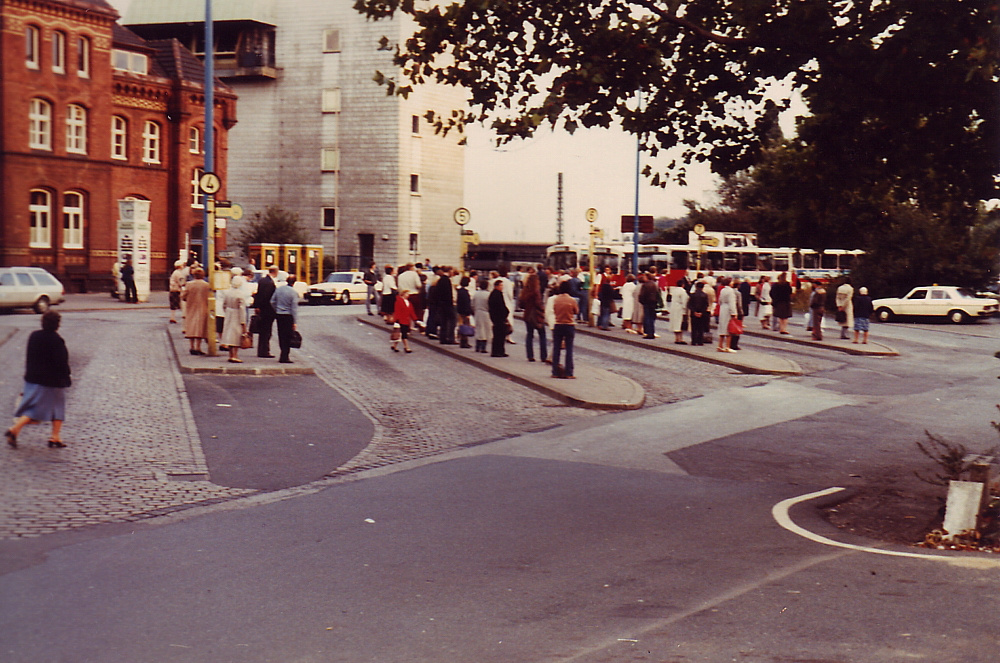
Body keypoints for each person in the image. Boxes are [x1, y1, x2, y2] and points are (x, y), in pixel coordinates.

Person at [5, 311, 71, 449]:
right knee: (47, 408)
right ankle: (15, 430)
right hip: (51, 382)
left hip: (32, 378)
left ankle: (55, 437)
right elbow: (61, 362)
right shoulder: (56, 340)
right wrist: (66, 375)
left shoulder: (34, 336)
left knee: (37, 407)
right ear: (57, 324)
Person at [551, 281, 579, 378]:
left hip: (558, 324)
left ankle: (554, 371)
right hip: (569, 325)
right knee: (569, 349)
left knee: (556, 349)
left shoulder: (556, 300)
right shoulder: (572, 300)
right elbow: (576, 311)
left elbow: (554, 310)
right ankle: (569, 372)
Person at [519, 272, 548, 363]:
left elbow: (521, 304)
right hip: (536, 315)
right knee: (542, 335)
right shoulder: (536, 292)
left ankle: (530, 355)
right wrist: (543, 310)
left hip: (528, 315)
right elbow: (538, 303)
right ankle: (543, 356)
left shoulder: (525, 291)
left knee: (529, 335)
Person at [181, 267, 210, 355]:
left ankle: (191, 346)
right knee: (200, 327)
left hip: (191, 307)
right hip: (203, 307)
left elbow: (183, 296)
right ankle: (198, 347)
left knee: (191, 326)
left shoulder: (189, 284)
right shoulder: (206, 285)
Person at [271, 274, 299, 363]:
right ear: (294, 282)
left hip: (279, 314)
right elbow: (294, 308)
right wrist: (294, 322)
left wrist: (276, 309)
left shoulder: (279, 289)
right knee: (288, 336)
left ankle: (282, 352)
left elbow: (272, 301)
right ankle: (285, 355)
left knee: (281, 335)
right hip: (288, 316)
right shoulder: (293, 292)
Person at [252, 265, 278, 358]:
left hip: (262, 309)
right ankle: (264, 351)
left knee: (263, 331)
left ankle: (261, 350)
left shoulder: (262, 280)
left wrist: (257, 306)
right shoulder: (270, 283)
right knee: (266, 331)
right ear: (276, 272)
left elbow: (258, 294)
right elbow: (267, 298)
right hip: (268, 310)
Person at [221, 275, 248, 363]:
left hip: (229, 314)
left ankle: (230, 355)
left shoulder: (228, 292)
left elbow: (224, 305)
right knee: (236, 336)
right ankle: (235, 355)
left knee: (229, 335)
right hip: (237, 315)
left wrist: (227, 311)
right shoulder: (240, 294)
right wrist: (243, 322)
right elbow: (242, 309)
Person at [488, 279, 509, 357]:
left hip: (496, 317)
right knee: (499, 336)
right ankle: (498, 351)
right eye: (501, 285)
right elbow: (500, 307)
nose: (502, 287)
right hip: (499, 317)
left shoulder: (494, 294)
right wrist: (505, 313)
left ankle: (499, 351)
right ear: (496, 286)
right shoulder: (497, 294)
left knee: (499, 335)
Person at [716, 277, 738, 353]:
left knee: (722, 327)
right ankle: (727, 347)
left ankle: (720, 345)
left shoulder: (723, 290)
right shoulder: (730, 291)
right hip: (728, 309)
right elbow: (732, 303)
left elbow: (719, 301)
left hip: (723, 309)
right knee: (729, 328)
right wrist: (734, 313)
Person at [391, 289, 416, 353]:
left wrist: (415, 319)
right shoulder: (399, 301)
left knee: (399, 334)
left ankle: (394, 345)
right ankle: (406, 347)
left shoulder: (408, 302)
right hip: (401, 320)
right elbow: (397, 311)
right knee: (404, 334)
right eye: (407, 294)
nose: (408, 295)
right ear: (403, 294)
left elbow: (411, 312)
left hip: (406, 321)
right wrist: (397, 319)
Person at [687, 281, 710, 346]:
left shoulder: (692, 295)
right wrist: (701, 312)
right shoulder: (705, 295)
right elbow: (706, 305)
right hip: (702, 314)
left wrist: (694, 311)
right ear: (702, 287)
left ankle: (693, 341)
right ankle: (700, 341)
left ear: (696, 287)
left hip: (693, 314)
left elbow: (689, 305)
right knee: (701, 328)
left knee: (694, 328)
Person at [638, 272, 660, 339]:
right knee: (652, 318)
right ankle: (652, 332)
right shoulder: (655, 284)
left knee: (647, 318)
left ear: (647, 277)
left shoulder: (645, 285)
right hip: (654, 303)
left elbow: (642, 295)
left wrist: (642, 302)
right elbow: (658, 294)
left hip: (647, 303)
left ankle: (648, 333)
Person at [473, 278, 492, 353]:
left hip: (477, 312)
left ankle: (477, 346)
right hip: (486, 313)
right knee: (486, 330)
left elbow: (472, 304)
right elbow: (490, 305)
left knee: (478, 329)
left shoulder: (476, 293)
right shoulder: (488, 294)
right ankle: (483, 347)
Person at [669, 277, 690, 344]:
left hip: (673, 308)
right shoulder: (683, 291)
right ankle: (680, 338)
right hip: (680, 309)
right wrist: (685, 310)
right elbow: (684, 301)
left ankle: (676, 338)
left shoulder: (674, 290)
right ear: (683, 285)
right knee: (680, 323)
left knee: (675, 323)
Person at [456, 276, 474, 348]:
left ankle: (462, 341)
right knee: (465, 326)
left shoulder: (459, 291)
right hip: (465, 311)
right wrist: (468, 313)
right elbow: (466, 303)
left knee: (462, 326)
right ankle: (464, 342)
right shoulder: (465, 292)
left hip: (460, 311)